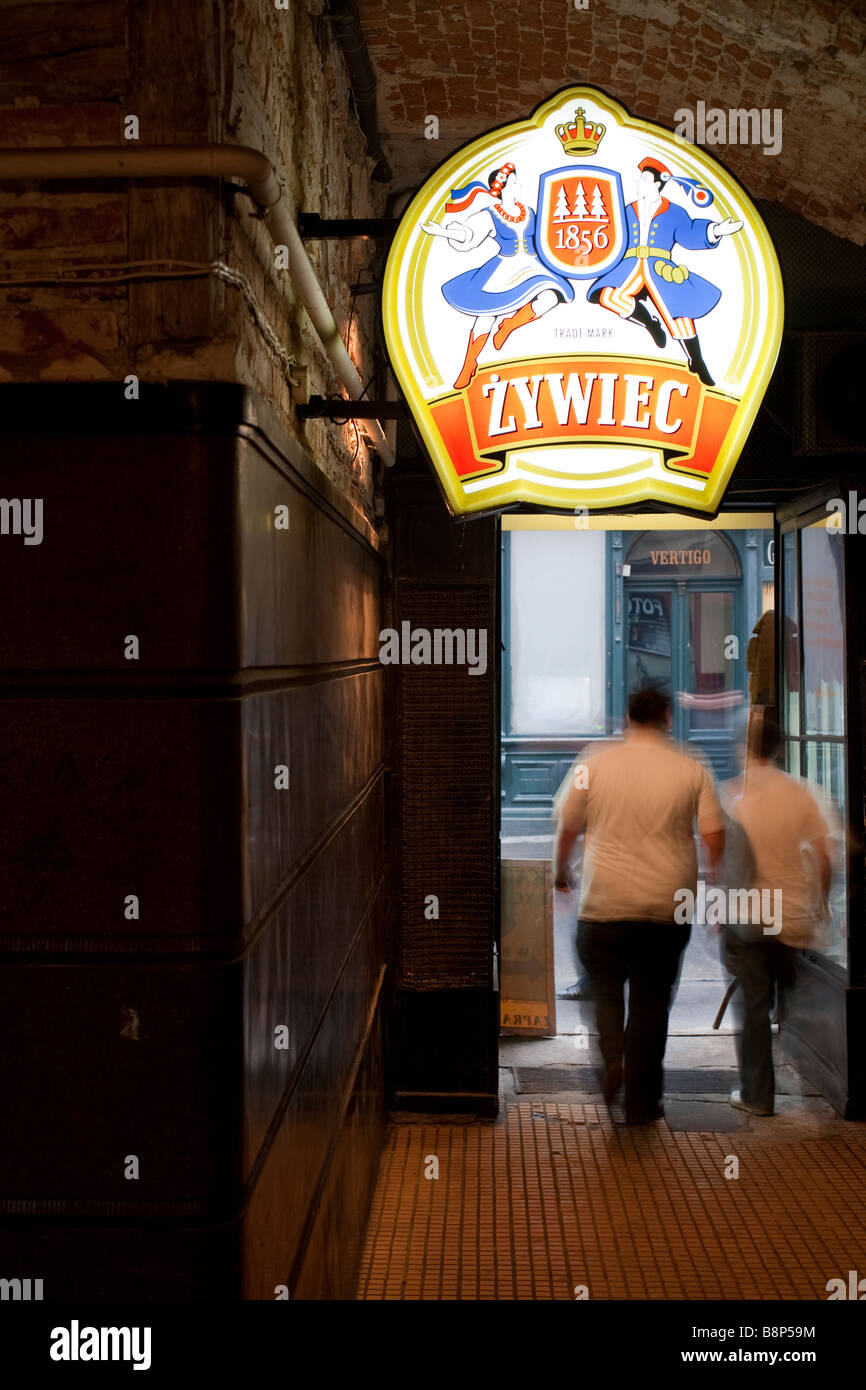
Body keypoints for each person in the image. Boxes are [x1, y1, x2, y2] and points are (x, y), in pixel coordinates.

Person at [552, 686, 725, 1124]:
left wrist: (561, 873)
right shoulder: (692, 765)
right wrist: (716, 888)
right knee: (651, 1004)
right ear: (667, 716)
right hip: (666, 908)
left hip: (603, 904)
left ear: (628, 717)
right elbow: (713, 835)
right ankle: (642, 1102)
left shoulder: (595, 761)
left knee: (606, 989)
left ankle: (614, 1058)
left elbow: (569, 826)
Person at [721, 712, 833, 1117]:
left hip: (748, 919)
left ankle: (757, 1095)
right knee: (785, 993)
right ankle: (811, 1066)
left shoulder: (733, 794)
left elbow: (724, 862)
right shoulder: (803, 793)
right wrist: (820, 902)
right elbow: (823, 856)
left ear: (742, 749)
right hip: (791, 917)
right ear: (780, 748)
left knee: (752, 1007)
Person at [587, 156, 742, 386]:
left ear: (657, 183)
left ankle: (696, 360)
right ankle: (650, 323)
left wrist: (716, 230)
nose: (638, 182)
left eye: (644, 178)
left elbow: (689, 234)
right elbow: (609, 237)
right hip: (629, 267)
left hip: (659, 269)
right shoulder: (628, 210)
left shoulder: (674, 212)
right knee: (609, 296)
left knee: (680, 312)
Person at [421, 161, 574, 389]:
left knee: (551, 297)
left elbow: (549, 236)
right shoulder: (490, 215)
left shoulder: (529, 212)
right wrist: (443, 231)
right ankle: (468, 365)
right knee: (485, 315)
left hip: (534, 266)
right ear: (501, 188)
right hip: (505, 268)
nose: (517, 185)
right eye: (512, 182)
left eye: (516, 181)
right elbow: (469, 234)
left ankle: (510, 325)